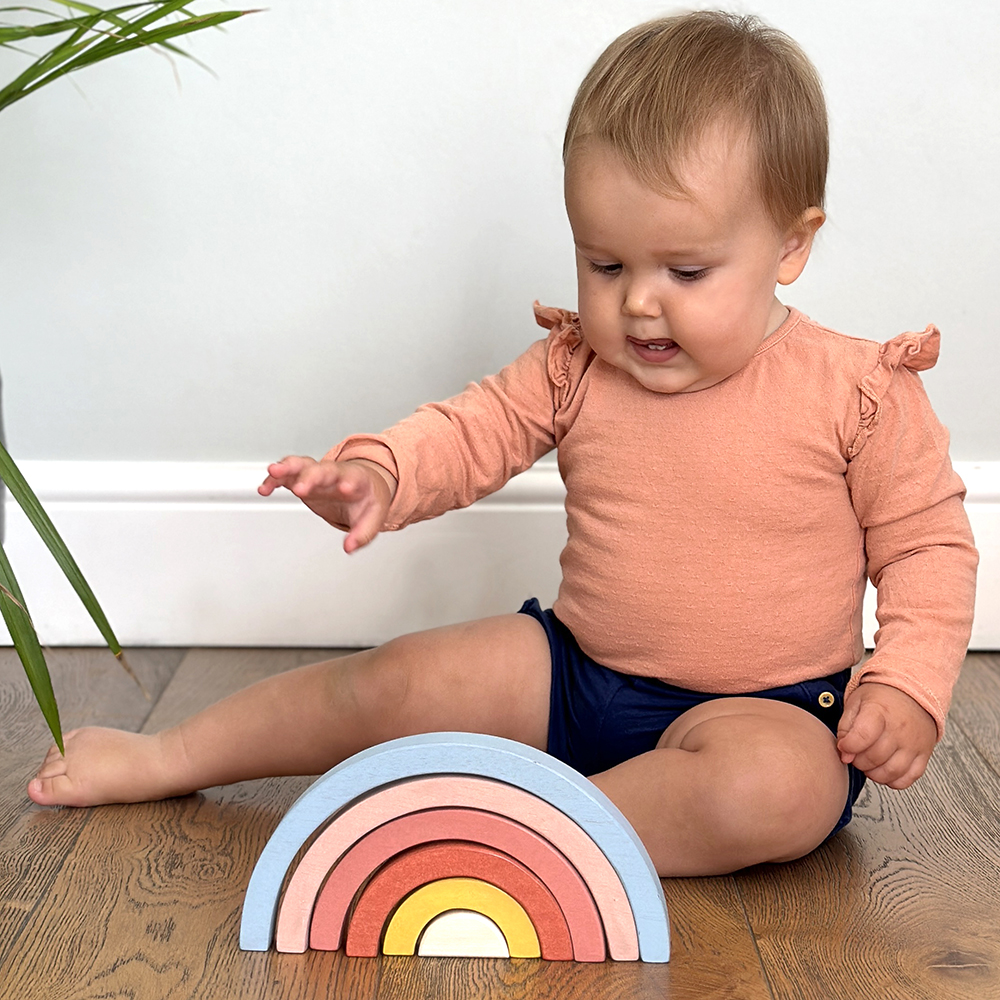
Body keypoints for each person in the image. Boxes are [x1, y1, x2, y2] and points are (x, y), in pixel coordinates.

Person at [27, 11, 977, 878]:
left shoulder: (857, 392)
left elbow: (928, 548)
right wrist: (379, 471)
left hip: (766, 710)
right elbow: (471, 430)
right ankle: (174, 755)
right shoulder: (579, 366)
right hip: (575, 675)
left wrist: (905, 685)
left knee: (772, 793)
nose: (639, 301)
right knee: (401, 678)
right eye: (605, 263)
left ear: (790, 245)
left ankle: (522, 838)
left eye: (685, 269)